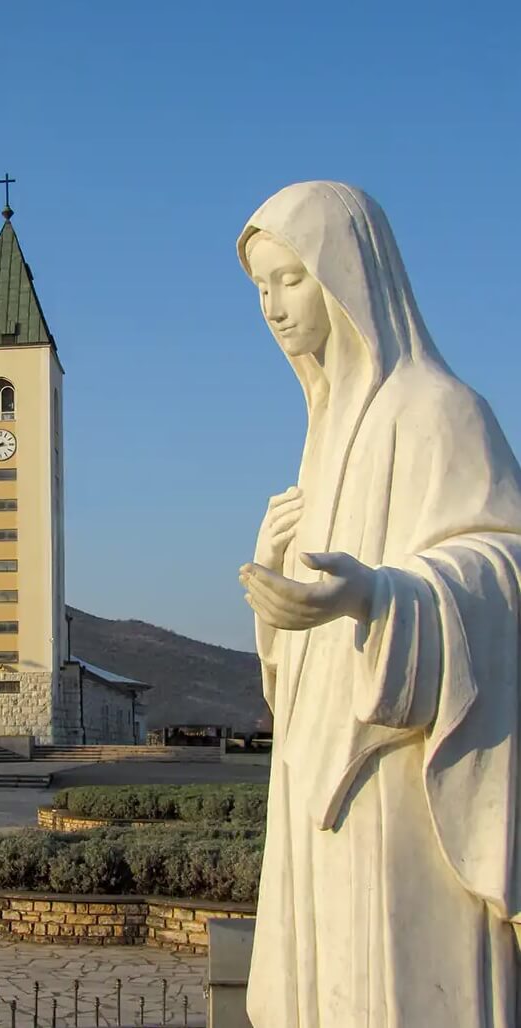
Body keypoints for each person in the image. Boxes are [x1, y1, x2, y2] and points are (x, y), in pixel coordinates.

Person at [237, 181, 521, 1027]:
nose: (274, 309)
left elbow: (503, 567)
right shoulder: (320, 439)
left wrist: (383, 597)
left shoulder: (441, 413)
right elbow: (298, 657)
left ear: (348, 274)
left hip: (399, 774)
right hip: (315, 778)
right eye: (260, 289)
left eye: (290, 279)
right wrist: (273, 588)